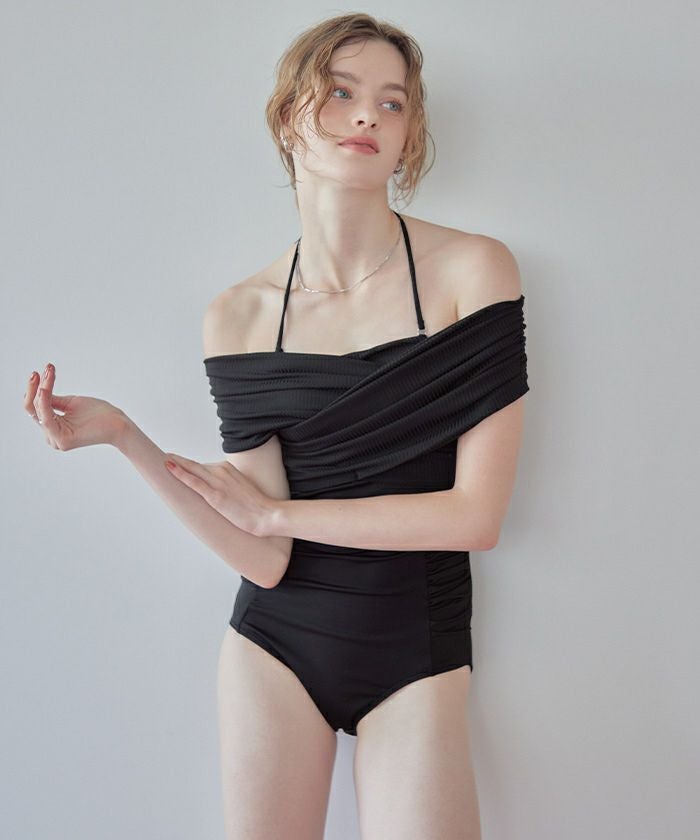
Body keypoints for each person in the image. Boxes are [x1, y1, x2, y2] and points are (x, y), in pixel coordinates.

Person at [23, 13, 529, 840]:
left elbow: (476, 517)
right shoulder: (238, 316)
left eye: (392, 102)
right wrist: (124, 437)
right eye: (341, 92)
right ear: (289, 115)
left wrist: (280, 514)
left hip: (417, 648)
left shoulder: (474, 271)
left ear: (409, 136)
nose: (367, 115)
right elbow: (264, 557)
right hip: (275, 647)